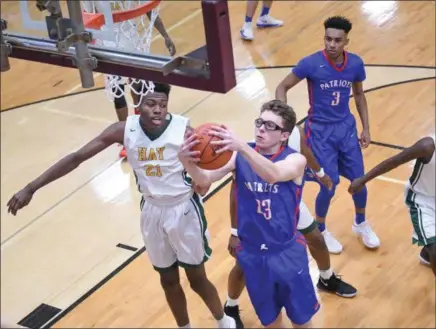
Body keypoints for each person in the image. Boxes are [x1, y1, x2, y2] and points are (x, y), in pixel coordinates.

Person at [6, 83, 235, 329]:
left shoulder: (185, 132)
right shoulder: (123, 130)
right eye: (150, 104)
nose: (157, 110)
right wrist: (32, 187)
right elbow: (77, 158)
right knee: (167, 280)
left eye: (162, 104)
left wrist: (203, 175)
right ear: (138, 104)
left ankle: (225, 322)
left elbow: (203, 183)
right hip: (151, 211)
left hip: (183, 209)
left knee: (197, 279)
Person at [179, 100, 320, 328]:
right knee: (271, 322)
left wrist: (242, 147)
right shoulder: (238, 156)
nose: (261, 128)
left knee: (301, 322)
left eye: (270, 126)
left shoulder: (295, 160)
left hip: (286, 254)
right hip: (253, 254)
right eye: (260, 122)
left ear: (284, 135)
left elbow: (273, 174)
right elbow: (204, 181)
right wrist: (186, 162)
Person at [223, 123, 358, 328]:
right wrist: (234, 231)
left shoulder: (295, 132)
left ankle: (326, 278)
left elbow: (304, 150)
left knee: (316, 239)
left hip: (286, 204)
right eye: (262, 122)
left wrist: (320, 173)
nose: (264, 127)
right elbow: (235, 192)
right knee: (242, 265)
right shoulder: (251, 151)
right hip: (256, 210)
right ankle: (231, 306)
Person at [275, 15, 380, 253]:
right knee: (328, 185)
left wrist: (366, 127)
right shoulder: (311, 63)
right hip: (320, 131)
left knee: (359, 181)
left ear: (346, 42)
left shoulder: (355, 64)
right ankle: (320, 229)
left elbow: (360, 95)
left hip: (346, 128)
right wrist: (285, 120)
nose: (331, 44)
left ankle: (360, 223)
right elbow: (282, 87)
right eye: (328, 39)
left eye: (337, 40)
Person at [82, 0, 176, 158]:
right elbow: (88, 19)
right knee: (117, 91)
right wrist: (89, 46)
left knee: (138, 85)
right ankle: (126, 138)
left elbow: (149, 10)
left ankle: (143, 125)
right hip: (106, 41)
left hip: (131, 37)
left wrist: (165, 35)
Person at [349, 136, 436, 277]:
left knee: (432, 243)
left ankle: (427, 253)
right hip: (421, 199)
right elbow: (395, 161)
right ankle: (430, 250)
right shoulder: (427, 146)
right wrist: (363, 180)